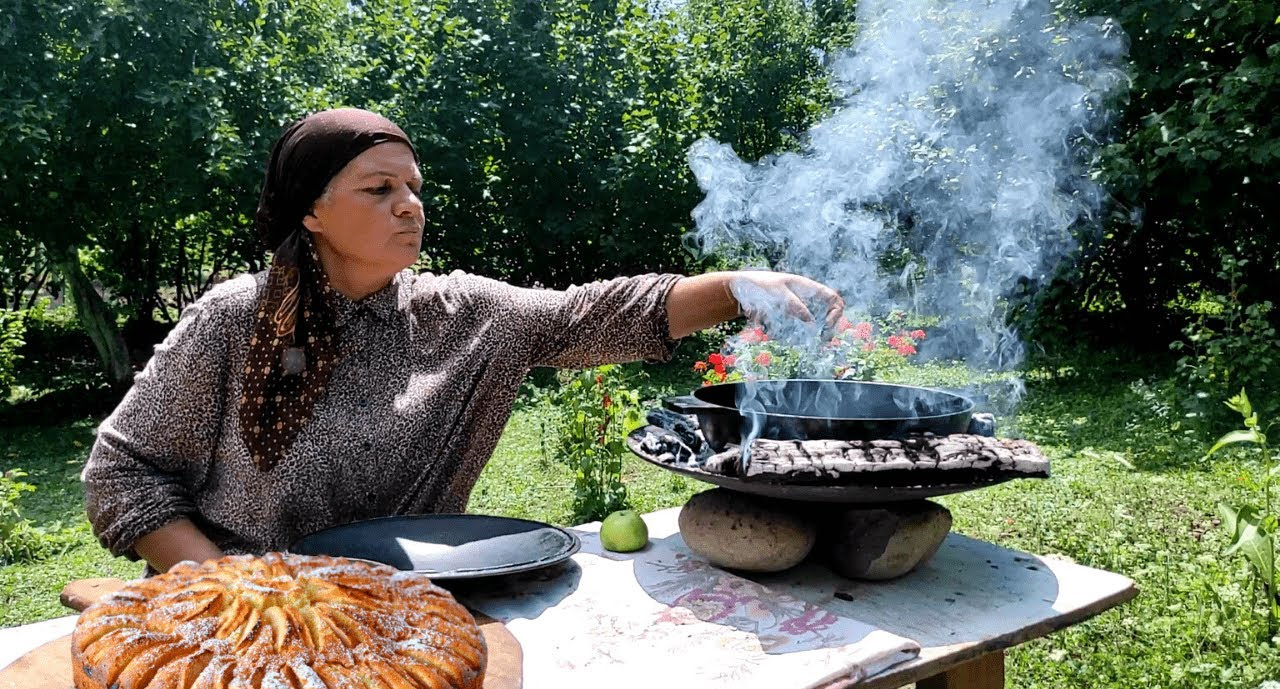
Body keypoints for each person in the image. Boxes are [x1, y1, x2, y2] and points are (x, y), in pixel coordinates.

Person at [82, 108, 844, 573]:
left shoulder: (465, 315)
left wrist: (736, 286)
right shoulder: (236, 320)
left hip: (405, 606)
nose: (408, 206)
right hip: (247, 618)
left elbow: (596, 314)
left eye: (413, 188)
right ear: (310, 212)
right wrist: (218, 583)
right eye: (378, 190)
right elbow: (122, 475)